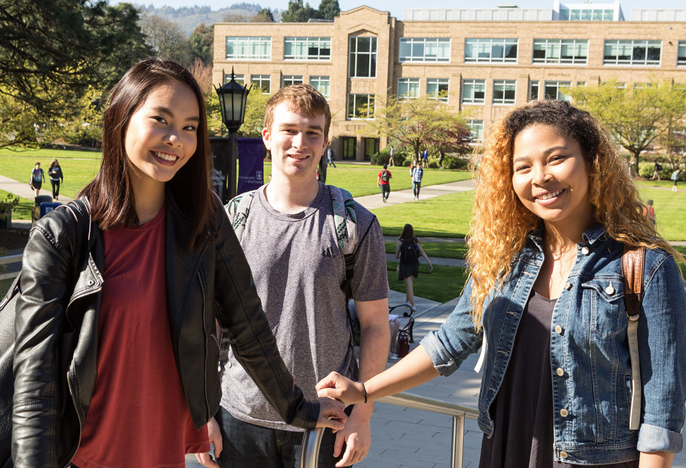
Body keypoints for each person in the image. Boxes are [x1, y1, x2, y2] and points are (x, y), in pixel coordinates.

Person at [12, 59, 346, 468]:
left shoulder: (203, 221)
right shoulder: (63, 234)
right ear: (122, 116)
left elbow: (247, 325)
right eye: (161, 119)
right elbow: (35, 382)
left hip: (162, 450)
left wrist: (298, 407)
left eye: (190, 127)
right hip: (81, 455)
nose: (176, 139)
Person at [318, 100, 686, 468]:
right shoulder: (505, 261)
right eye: (522, 167)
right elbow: (448, 344)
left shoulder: (645, 266)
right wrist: (364, 391)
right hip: (506, 449)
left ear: (592, 161)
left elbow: (661, 413)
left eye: (556, 158)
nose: (539, 177)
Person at [217, 84, 390, 468]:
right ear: (266, 137)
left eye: (312, 132)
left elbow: (376, 325)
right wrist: (204, 413)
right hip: (240, 416)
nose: (300, 142)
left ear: (326, 142)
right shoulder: (234, 219)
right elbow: (211, 322)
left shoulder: (355, 223)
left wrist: (362, 414)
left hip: (324, 417)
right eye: (289, 130)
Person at [396, 224, 432, 311]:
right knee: (409, 284)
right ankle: (407, 300)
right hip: (414, 265)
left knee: (409, 285)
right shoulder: (415, 241)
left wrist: (400, 255)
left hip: (405, 265)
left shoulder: (400, 241)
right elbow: (422, 252)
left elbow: (396, 256)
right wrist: (429, 262)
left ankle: (413, 305)